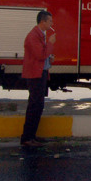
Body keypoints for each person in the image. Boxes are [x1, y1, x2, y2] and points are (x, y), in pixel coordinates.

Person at [20, 10, 56, 147]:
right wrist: (51, 44)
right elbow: (40, 55)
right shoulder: (34, 36)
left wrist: (50, 57)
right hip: (35, 74)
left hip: (40, 73)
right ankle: (27, 138)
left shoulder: (41, 35)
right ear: (43, 21)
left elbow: (43, 55)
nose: (52, 24)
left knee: (38, 105)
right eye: (50, 21)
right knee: (35, 106)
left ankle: (32, 136)